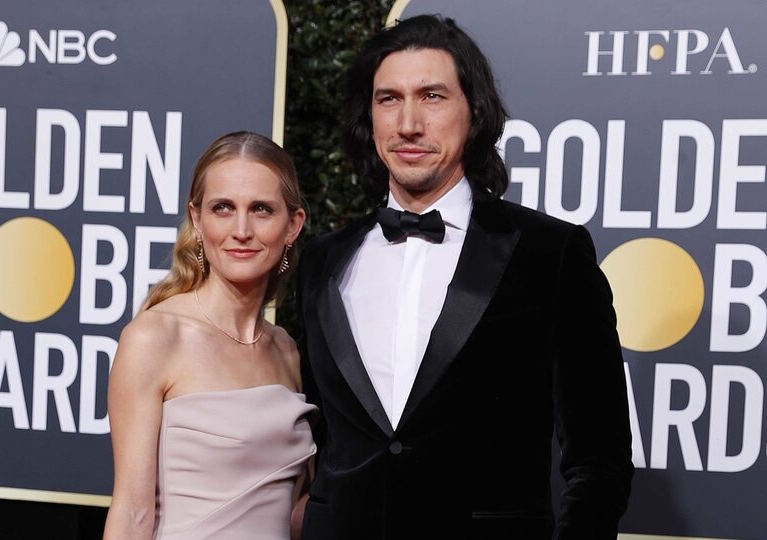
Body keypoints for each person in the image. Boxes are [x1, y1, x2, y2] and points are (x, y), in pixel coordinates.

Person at [293, 14, 633, 540]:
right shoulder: (321, 260)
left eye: (432, 96)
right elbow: (318, 440)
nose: (408, 123)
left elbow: (599, 459)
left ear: (473, 113)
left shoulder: (551, 252)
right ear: (370, 117)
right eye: (389, 99)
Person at [104, 131, 312, 540]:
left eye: (261, 210)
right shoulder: (156, 337)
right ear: (197, 220)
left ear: (293, 225)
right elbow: (131, 513)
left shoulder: (287, 351)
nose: (241, 230)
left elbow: (292, 511)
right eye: (222, 208)